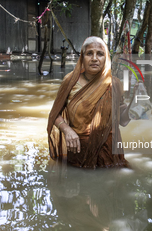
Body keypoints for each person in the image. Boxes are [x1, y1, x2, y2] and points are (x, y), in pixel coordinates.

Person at [47, 36, 133, 168]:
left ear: (106, 58)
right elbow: (54, 114)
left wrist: (134, 104)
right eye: (89, 53)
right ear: (82, 57)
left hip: (108, 156)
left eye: (100, 54)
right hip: (78, 154)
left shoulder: (114, 84)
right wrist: (67, 130)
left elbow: (122, 120)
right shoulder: (70, 81)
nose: (94, 58)